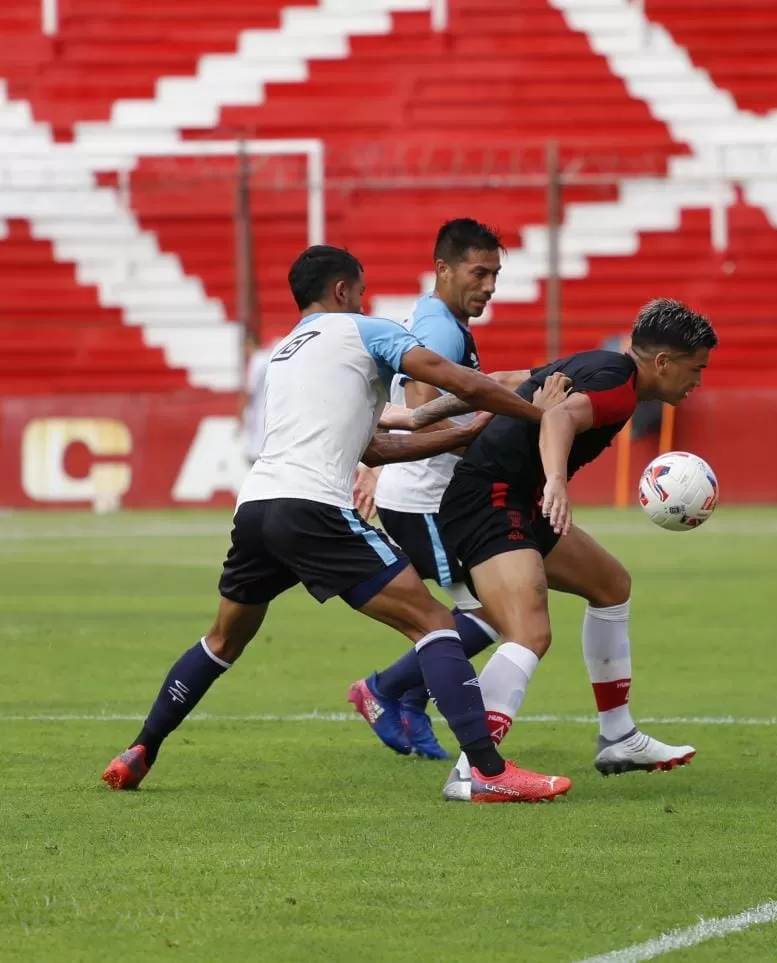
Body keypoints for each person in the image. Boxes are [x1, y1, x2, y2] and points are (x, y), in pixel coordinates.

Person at [100, 244, 573, 804]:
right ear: (344, 291)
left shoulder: (284, 355)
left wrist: (464, 437)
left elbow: (372, 449)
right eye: (362, 291)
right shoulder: (364, 331)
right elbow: (459, 382)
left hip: (256, 509)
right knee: (437, 625)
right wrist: (540, 412)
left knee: (223, 639)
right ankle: (489, 773)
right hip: (314, 509)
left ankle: (140, 750)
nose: (366, 300)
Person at [362, 299, 718, 799]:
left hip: (515, 495)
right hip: (491, 496)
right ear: (662, 363)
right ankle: (474, 771)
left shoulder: (599, 366)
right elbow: (557, 421)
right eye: (695, 368)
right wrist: (556, 482)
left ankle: (618, 736)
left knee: (611, 585)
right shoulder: (616, 387)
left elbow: (505, 382)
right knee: (527, 631)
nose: (698, 380)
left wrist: (420, 418)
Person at [348, 219, 531, 760]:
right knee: (494, 614)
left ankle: (402, 697)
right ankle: (386, 690)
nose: (490, 286)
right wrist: (492, 445)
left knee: (495, 611)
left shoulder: (440, 319)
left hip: (429, 494)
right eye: (480, 272)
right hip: (428, 500)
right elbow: (426, 414)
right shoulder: (441, 329)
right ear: (444, 269)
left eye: (496, 273)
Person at [239, 333, 282, 466]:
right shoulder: (267, 357)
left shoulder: (256, 360)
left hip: (259, 414)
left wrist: (239, 411)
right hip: (272, 412)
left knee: (256, 454)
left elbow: (249, 390)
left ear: (249, 345)